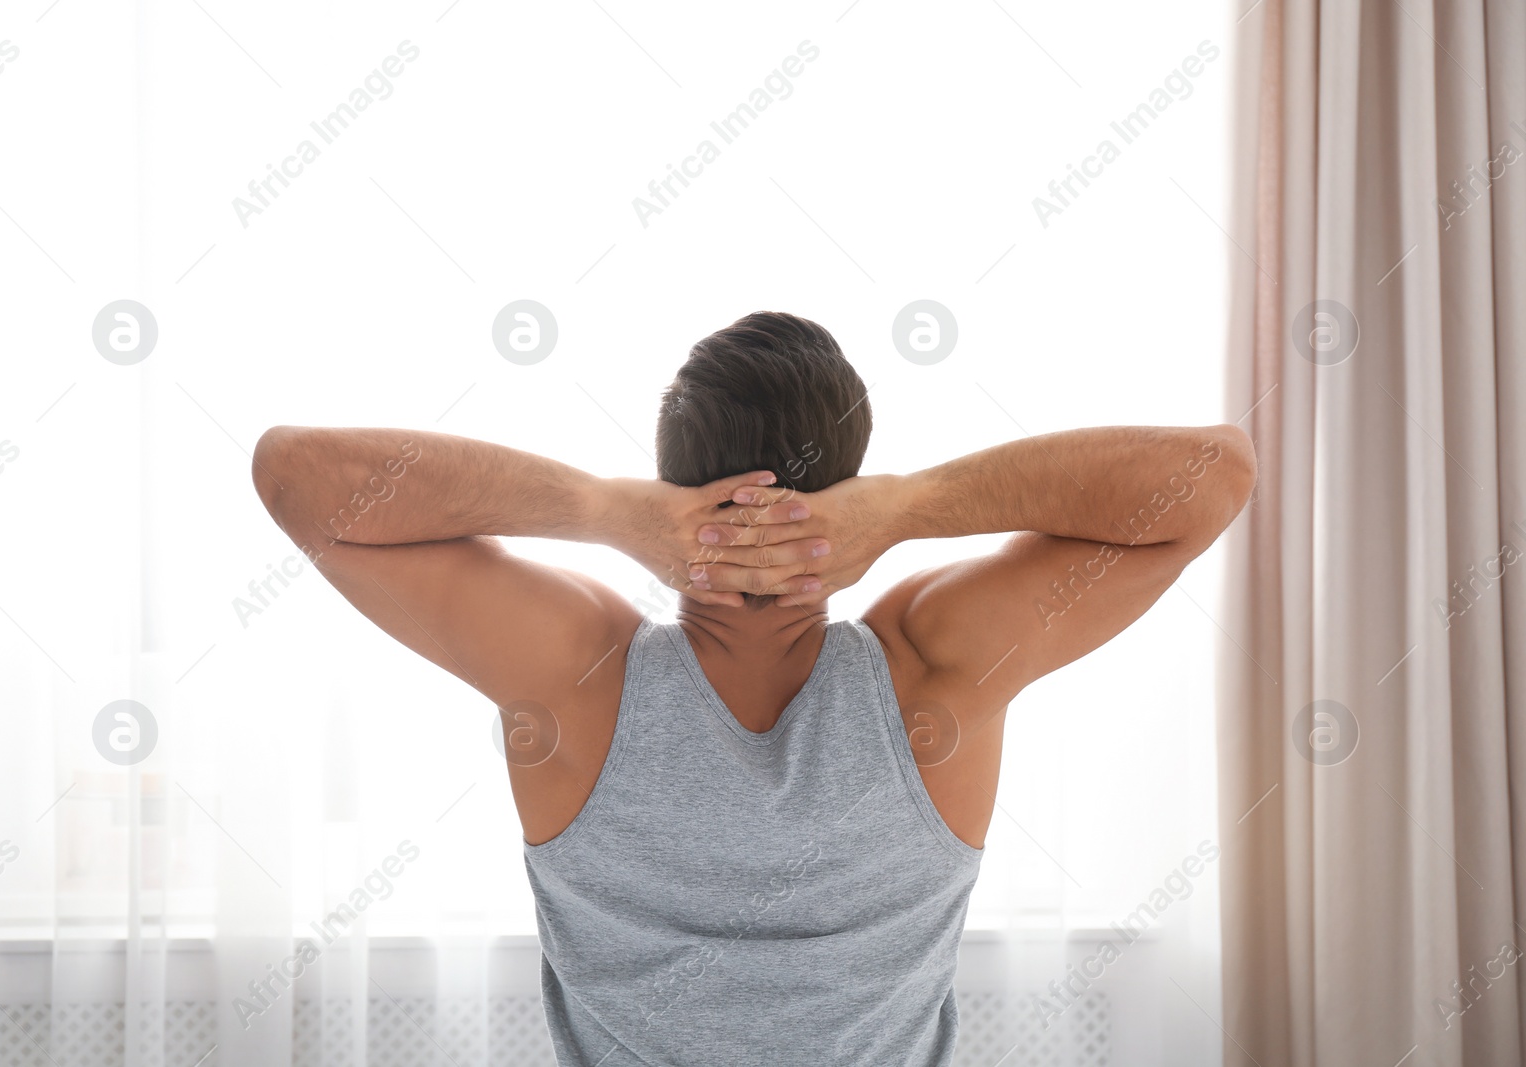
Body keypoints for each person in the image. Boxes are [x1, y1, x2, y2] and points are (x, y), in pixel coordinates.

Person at [251, 310, 1256, 1066]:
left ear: (670, 477)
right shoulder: (935, 664)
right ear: (851, 478)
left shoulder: (575, 672)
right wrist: (910, 507)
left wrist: (601, 508)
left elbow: (298, 475)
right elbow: (1212, 475)